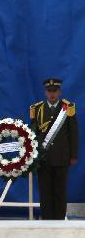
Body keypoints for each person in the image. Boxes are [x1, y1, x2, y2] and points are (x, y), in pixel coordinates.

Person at [30, 78, 78, 220]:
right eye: (49, 91)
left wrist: (73, 154)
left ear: (60, 92)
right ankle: (47, 220)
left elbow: (73, 133)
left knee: (60, 191)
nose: (52, 94)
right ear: (45, 92)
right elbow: (34, 133)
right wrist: (35, 154)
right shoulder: (37, 109)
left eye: (55, 91)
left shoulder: (67, 108)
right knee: (45, 191)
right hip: (43, 158)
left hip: (62, 156)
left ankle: (59, 220)